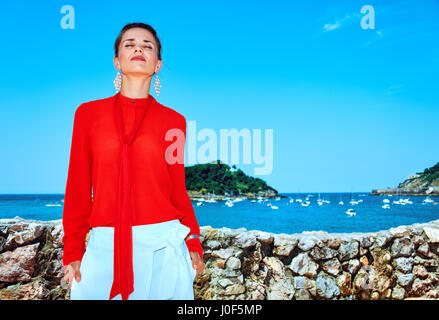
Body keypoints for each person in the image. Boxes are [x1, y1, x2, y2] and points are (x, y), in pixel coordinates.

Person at [61, 22, 205, 300]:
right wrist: (73, 250)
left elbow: (177, 190)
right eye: (129, 44)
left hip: (163, 246)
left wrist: (194, 241)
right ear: (117, 61)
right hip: (105, 247)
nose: (138, 47)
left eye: (147, 45)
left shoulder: (175, 122)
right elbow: (78, 188)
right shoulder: (87, 115)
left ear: (158, 64)